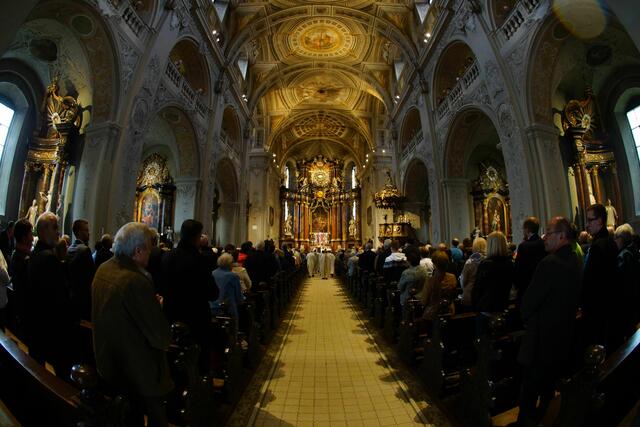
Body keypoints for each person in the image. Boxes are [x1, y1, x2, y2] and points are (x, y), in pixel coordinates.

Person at [92, 222, 173, 427]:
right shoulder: (136, 280)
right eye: (149, 249)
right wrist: (156, 307)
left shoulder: (104, 268)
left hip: (107, 360)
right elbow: (160, 335)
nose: (150, 254)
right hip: (135, 370)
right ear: (137, 251)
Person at [516, 217, 582, 426]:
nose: (544, 237)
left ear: (561, 236)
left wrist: (526, 316)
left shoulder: (549, 263)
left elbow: (528, 303)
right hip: (562, 338)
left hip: (540, 340)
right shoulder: (575, 259)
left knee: (529, 391)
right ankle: (544, 418)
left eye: (549, 232)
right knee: (548, 389)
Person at [162, 220, 217, 370]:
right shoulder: (199, 260)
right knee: (198, 364)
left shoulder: (167, 256)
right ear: (197, 237)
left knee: (173, 361)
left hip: (170, 317)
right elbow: (213, 293)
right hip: (195, 319)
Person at [27, 212, 75, 377]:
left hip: (37, 325)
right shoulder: (49, 259)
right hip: (51, 328)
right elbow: (59, 298)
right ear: (42, 231)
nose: (58, 232)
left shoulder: (35, 254)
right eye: (55, 228)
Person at [581, 203, 619, 350]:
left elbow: (592, 280)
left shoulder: (599, 246)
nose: (587, 224)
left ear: (600, 221)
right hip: (609, 304)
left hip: (598, 307)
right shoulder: (608, 241)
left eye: (590, 220)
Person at [472, 231, 514, 336]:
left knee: (484, 341)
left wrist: (476, 306)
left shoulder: (485, 265)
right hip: (502, 307)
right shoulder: (509, 264)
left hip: (486, 309)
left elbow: (477, 289)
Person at [613, 223, 640, 341]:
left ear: (622, 239)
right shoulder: (634, 250)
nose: (614, 241)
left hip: (626, 300)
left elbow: (620, 281)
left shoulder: (623, 256)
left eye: (616, 238)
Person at [513, 217, 546, 309]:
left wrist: (516, 285)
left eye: (523, 228)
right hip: (542, 284)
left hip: (527, 286)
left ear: (527, 229)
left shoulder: (523, 246)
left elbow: (518, 268)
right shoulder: (544, 243)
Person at [66, 219, 95, 321]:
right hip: (83, 299)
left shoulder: (69, 249)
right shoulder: (85, 250)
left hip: (71, 298)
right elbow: (91, 277)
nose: (89, 233)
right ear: (79, 232)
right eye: (86, 230)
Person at [8, 219, 33, 339]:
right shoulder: (24, 260)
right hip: (26, 314)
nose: (32, 238)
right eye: (30, 234)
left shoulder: (16, 255)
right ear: (24, 238)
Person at [212, 253, 245, 333]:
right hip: (228, 309)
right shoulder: (232, 276)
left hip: (213, 307)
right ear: (229, 264)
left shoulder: (213, 273)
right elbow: (239, 296)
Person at [420, 250, 457, 320]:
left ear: (434, 265)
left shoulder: (430, 281)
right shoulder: (453, 277)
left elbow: (423, 301)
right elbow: (454, 296)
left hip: (433, 314)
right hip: (449, 311)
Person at [460, 237, 487, 307]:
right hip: (485, 295)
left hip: (470, 293)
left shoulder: (470, 261)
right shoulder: (488, 260)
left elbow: (463, 280)